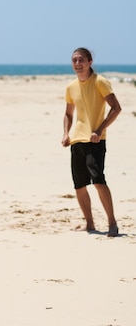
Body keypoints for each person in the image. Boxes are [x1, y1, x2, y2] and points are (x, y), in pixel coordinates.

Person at [61, 48, 121, 237]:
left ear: (89, 62)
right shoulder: (71, 87)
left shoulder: (100, 82)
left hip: (95, 140)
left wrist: (99, 129)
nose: (77, 64)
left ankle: (112, 222)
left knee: (98, 181)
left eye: (81, 60)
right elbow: (68, 114)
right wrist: (65, 133)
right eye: (74, 60)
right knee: (79, 185)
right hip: (77, 140)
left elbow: (116, 108)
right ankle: (89, 223)